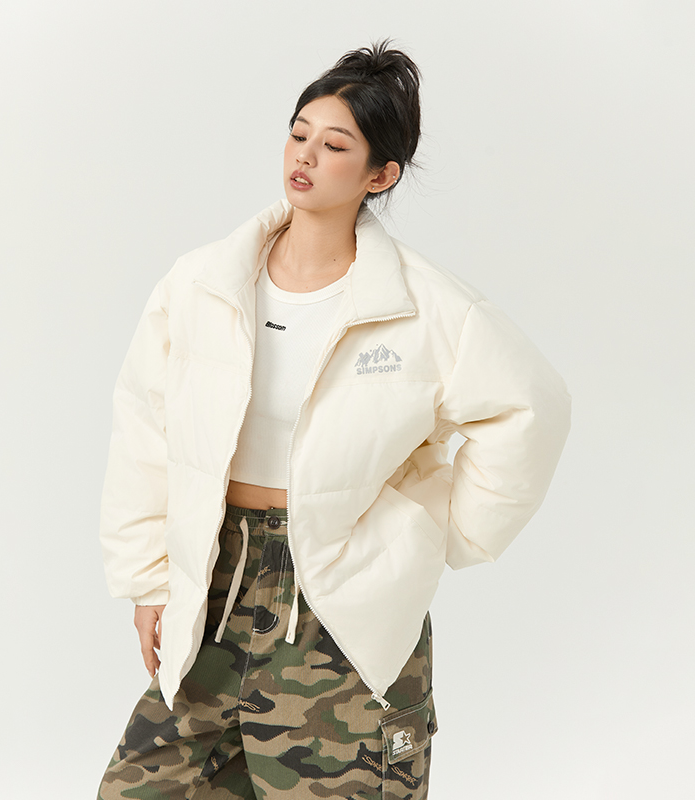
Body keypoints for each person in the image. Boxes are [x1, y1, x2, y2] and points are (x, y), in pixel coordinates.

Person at [97, 40, 571, 800]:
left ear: (381, 175)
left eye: (336, 144)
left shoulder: (426, 305)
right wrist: (147, 581)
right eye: (299, 133)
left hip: (341, 606)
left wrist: (436, 533)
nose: (306, 155)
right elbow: (145, 429)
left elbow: (530, 408)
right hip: (213, 583)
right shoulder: (203, 284)